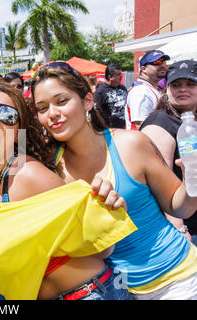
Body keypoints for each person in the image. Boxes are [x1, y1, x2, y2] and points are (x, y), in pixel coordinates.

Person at [30, 63, 197, 300]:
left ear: (87, 101)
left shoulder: (131, 144)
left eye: (62, 101)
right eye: (42, 107)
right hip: (116, 290)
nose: (52, 113)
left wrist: (192, 180)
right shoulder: (49, 168)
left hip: (179, 281)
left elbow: (180, 206)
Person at [0, 81, 134, 300]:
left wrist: (109, 209)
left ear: (17, 133)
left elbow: (102, 249)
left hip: (89, 293)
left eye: (8, 116)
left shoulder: (27, 176)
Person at [141, 60, 197, 246]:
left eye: (191, 84)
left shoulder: (191, 120)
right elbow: (158, 184)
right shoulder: (160, 122)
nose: (183, 89)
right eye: (176, 85)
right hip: (184, 227)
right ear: (166, 90)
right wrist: (179, 229)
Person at [125, 50, 170, 130]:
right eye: (157, 62)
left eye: (164, 62)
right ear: (144, 69)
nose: (163, 65)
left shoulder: (151, 88)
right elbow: (141, 126)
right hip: (142, 141)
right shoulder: (141, 91)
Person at [94, 64, 127, 129]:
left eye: (121, 74)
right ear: (110, 77)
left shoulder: (123, 88)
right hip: (109, 131)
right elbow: (96, 113)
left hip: (124, 128)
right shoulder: (100, 92)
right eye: (118, 74)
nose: (121, 76)